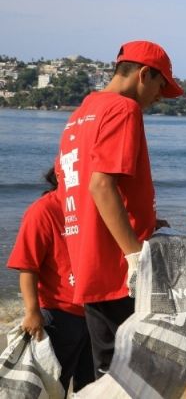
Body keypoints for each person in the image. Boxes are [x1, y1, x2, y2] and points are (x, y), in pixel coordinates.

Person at [55, 40, 183, 379]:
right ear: (144, 74)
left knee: (108, 371)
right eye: (160, 85)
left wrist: (147, 220)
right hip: (118, 271)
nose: (158, 97)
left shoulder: (80, 115)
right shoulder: (123, 109)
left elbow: (77, 186)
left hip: (90, 263)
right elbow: (100, 185)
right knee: (133, 376)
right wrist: (133, 255)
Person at [7, 168, 94, 392]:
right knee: (55, 385)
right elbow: (27, 266)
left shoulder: (92, 206)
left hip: (95, 312)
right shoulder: (42, 211)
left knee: (92, 386)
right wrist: (32, 312)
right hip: (59, 315)